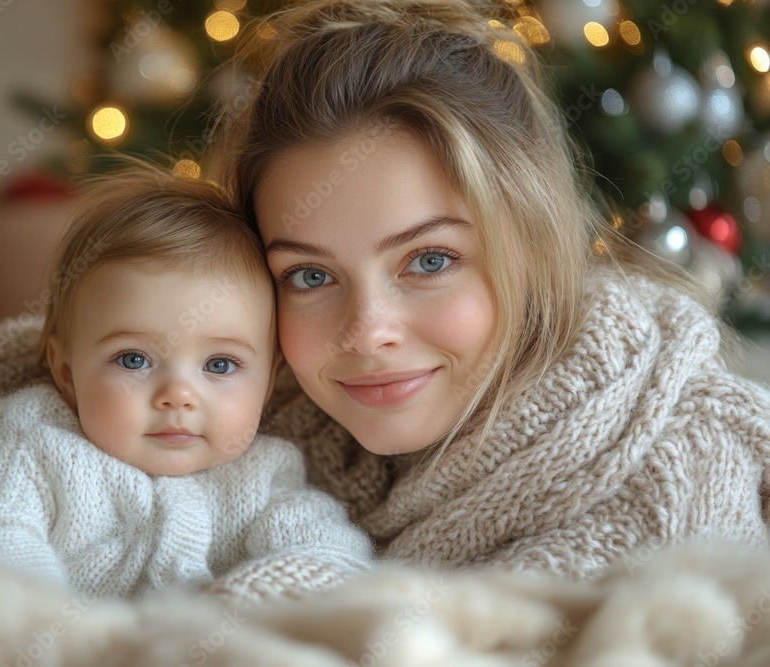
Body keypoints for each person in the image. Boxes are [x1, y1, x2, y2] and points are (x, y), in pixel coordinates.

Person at [210, 0, 770, 580]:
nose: (368, 332)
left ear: (532, 243)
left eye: (429, 261)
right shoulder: (231, 438)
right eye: (311, 276)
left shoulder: (674, 494)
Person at [0, 165, 372, 599]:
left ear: (268, 383)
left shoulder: (265, 477)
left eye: (220, 366)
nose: (178, 396)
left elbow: (329, 562)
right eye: (133, 359)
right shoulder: (30, 440)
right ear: (66, 371)